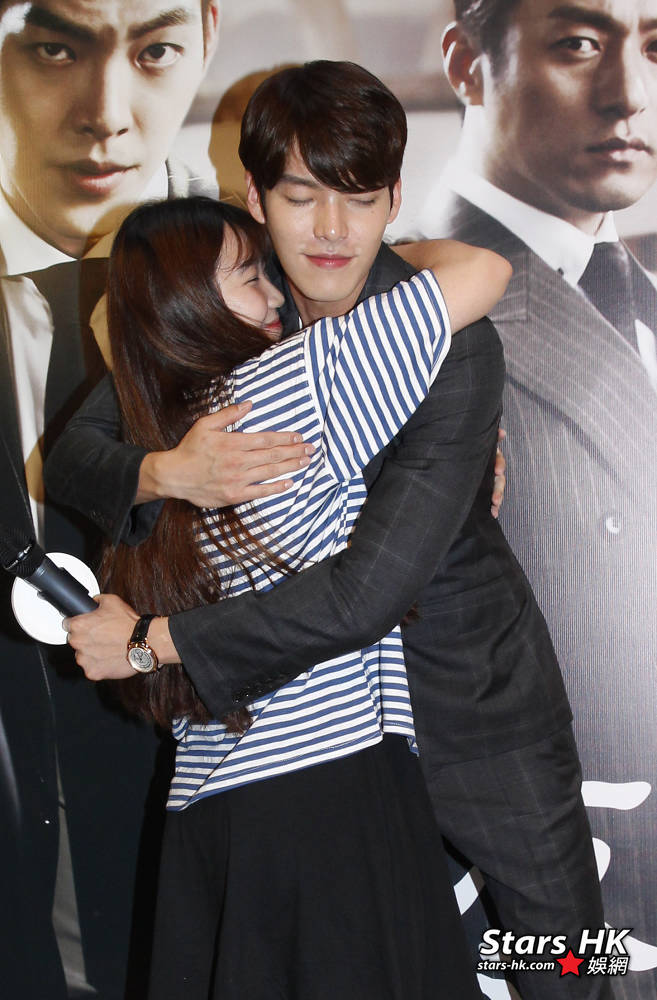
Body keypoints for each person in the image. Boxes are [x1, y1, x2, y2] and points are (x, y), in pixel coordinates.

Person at [46, 61, 607, 1000]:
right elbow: (76, 455)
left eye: (357, 198)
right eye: (301, 198)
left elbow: (370, 590)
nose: (331, 232)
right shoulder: (227, 307)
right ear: (255, 198)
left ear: (394, 199)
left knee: (563, 961)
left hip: (473, 708)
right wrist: (168, 471)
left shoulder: (448, 333)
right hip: (311, 743)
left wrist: (153, 643)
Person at [77, 194, 510, 999]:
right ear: (189, 304)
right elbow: (479, 270)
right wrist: (363, 259)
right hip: (329, 792)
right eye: (249, 276)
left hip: (207, 808)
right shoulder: (293, 383)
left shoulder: (151, 439)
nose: (275, 291)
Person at [0, 2, 311, 997]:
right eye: (56, 45)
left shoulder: (271, 270)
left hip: (227, 769)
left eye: (156, 48)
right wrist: (161, 472)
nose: (106, 111)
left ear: (210, 35)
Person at [412, 2, 656, 995]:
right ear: (467, 64)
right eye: (578, 44)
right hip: (551, 887)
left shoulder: (641, 287)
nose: (629, 94)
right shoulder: (402, 307)